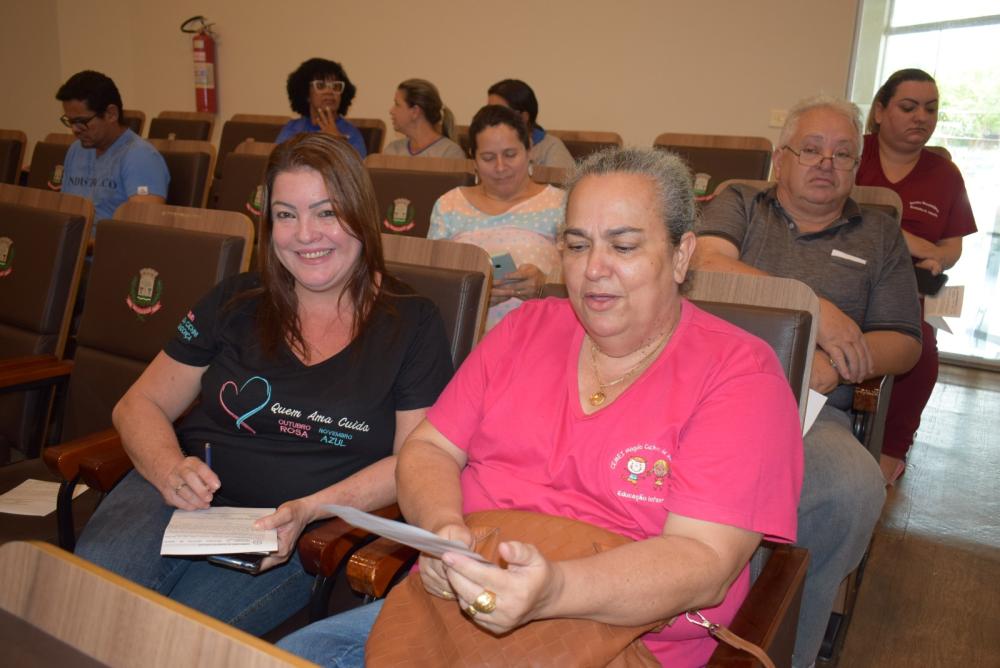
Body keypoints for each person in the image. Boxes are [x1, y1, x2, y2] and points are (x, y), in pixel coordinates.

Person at [277, 147, 803, 667]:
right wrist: (442, 533)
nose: (593, 269)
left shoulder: (739, 373)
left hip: (621, 639)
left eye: (622, 246)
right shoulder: (524, 330)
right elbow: (429, 449)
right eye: (577, 245)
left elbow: (704, 561)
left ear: (682, 254)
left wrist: (553, 590)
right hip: (451, 611)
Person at [73, 133, 453, 635]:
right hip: (175, 494)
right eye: (286, 215)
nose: (305, 235)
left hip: (289, 529)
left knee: (168, 638)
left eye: (326, 212)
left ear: (361, 214)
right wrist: (168, 470)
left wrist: (310, 510)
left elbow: (415, 460)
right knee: (81, 602)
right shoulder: (237, 300)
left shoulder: (414, 323)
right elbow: (138, 403)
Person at [693, 96, 923, 667]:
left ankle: (781, 646)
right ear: (781, 159)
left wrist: (835, 365)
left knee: (851, 489)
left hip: (814, 409)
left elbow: (903, 341)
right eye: (812, 149)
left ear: (856, 167)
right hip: (708, 390)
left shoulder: (880, 235)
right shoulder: (741, 202)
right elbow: (705, 264)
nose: (826, 163)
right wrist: (815, 309)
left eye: (842, 154)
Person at [857, 68, 977, 484]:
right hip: (846, 272)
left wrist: (937, 257)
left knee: (921, 349)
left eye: (930, 109)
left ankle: (892, 448)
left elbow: (953, 246)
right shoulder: (850, 154)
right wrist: (909, 239)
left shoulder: (945, 174)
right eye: (908, 107)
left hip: (910, 287)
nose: (921, 117)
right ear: (879, 111)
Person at [429, 104, 565, 328]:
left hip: (540, 331)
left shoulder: (560, 204)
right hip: (463, 333)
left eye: (510, 154)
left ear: (529, 149)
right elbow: (432, 283)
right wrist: (472, 296)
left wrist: (545, 286)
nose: (500, 167)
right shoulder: (449, 205)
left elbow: (582, 278)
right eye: (488, 157)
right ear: (473, 159)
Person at [55, 70, 169, 222]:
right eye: (70, 121)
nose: (74, 130)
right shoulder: (76, 150)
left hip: (111, 237)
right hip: (75, 236)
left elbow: (143, 226)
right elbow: (65, 212)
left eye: (81, 122)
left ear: (111, 114)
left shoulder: (141, 157)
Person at [276, 58, 367, 158]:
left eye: (336, 86)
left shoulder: (351, 133)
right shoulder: (292, 129)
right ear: (306, 94)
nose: (330, 91)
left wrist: (337, 143)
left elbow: (357, 167)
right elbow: (277, 163)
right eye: (320, 85)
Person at [487, 78, 575, 169]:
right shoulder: (485, 146)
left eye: (499, 113)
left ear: (523, 117)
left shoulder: (551, 148)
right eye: (488, 111)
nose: (490, 118)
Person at [383, 78, 465, 159]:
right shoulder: (393, 150)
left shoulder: (449, 153)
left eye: (397, 104)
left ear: (415, 111)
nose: (391, 111)